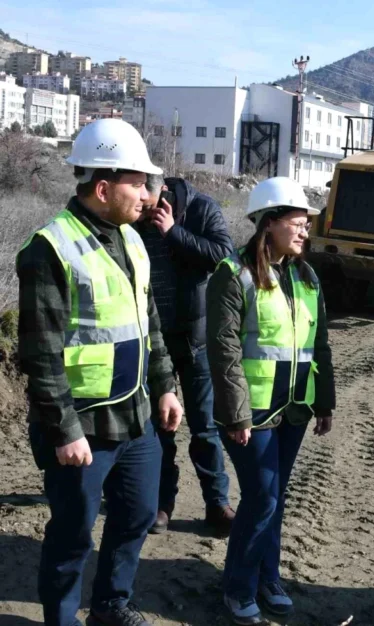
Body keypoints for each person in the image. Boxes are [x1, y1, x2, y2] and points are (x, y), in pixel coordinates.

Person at [17, 118, 183, 626]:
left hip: (134, 421)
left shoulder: (133, 241)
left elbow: (147, 322)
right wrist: (63, 431)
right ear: (104, 187)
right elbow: (41, 355)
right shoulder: (50, 249)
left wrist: (166, 386)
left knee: (136, 514)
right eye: (139, 182)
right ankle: (61, 619)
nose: (150, 193)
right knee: (72, 534)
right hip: (83, 428)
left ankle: (111, 605)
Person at [206, 176, 336, 625]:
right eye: (298, 223)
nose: (305, 232)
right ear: (268, 224)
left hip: (294, 409)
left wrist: (325, 402)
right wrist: (238, 413)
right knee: (261, 496)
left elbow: (320, 344)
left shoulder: (306, 276)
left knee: (274, 495)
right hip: (252, 414)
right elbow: (223, 350)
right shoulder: (232, 274)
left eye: (307, 225)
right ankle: (238, 588)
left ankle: (268, 577)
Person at [136, 174, 235, 535]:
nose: (140, 211)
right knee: (159, 428)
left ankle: (216, 504)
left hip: (195, 341)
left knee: (205, 429)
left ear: (159, 191)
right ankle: (162, 504)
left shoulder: (201, 209)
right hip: (151, 340)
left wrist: (173, 231)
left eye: (144, 204)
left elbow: (225, 257)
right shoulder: (133, 217)